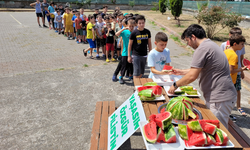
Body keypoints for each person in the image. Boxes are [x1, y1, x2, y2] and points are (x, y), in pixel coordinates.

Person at [168, 24, 237, 129]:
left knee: (218, 130)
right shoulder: (210, 44)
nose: (188, 44)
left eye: (188, 41)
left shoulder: (202, 48)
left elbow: (192, 76)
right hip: (222, 97)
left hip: (219, 99)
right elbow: (201, 69)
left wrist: (175, 85)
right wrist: (181, 71)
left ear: (193, 37)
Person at [220, 27, 247, 117]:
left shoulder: (228, 51)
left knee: (229, 95)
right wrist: (241, 69)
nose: (243, 46)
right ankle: (226, 115)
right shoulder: (233, 54)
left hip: (226, 78)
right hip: (230, 79)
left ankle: (226, 113)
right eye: (242, 44)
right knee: (229, 98)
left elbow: (242, 58)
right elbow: (231, 70)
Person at [115, 20, 135, 84]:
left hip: (133, 52)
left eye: (132, 26)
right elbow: (116, 34)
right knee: (124, 65)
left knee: (131, 65)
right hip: (125, 52)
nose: (131, 27)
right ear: (127, 26)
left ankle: (130, 76)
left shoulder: (134, 32)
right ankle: (121, 76)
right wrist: (123, 29)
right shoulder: (125, 31)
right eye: (130, 26)